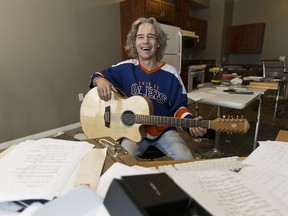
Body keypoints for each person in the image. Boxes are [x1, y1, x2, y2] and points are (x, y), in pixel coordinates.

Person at [89, 17, 207, 160]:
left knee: (187, 158)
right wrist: (100, 80)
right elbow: (97, 75)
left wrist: (191, 124)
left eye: (151, 37)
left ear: (158, 43)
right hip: (132, 132)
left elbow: (179, 108)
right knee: (120, 161)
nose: (145, 41)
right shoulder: (126, 68)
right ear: (135, 42)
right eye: (140, 37)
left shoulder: (171, 74)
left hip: (164, 131)